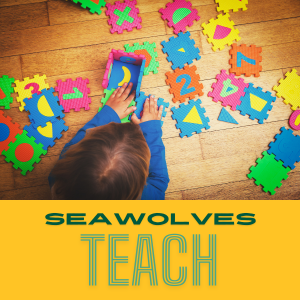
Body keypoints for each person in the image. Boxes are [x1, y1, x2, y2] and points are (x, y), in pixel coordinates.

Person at [49, 82, 169, 200]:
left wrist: (109, 113)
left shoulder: (59, 179)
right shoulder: (147, 198)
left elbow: (71, 148)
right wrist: (151, 130)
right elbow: (159, 181)